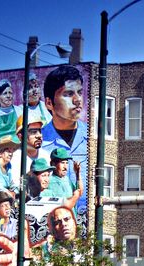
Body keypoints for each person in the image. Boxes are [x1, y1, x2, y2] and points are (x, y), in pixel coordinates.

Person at [41, 65, 87, 200]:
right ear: (49, 103)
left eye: (79, 92)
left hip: (88, 217)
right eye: (68, 94)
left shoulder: (92, 136)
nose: (77, 100)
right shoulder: (39, 141)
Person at [10, 110, 45, 184]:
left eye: (40, 131)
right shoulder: (14, 160)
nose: (39, 136)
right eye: (33, 132)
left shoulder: (46, 156)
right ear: (20, 137)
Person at [0, 79, 22, 146]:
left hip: (16, 147)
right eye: (5, 93)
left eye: (10, 93)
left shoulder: (20, 111)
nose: (8, 96)